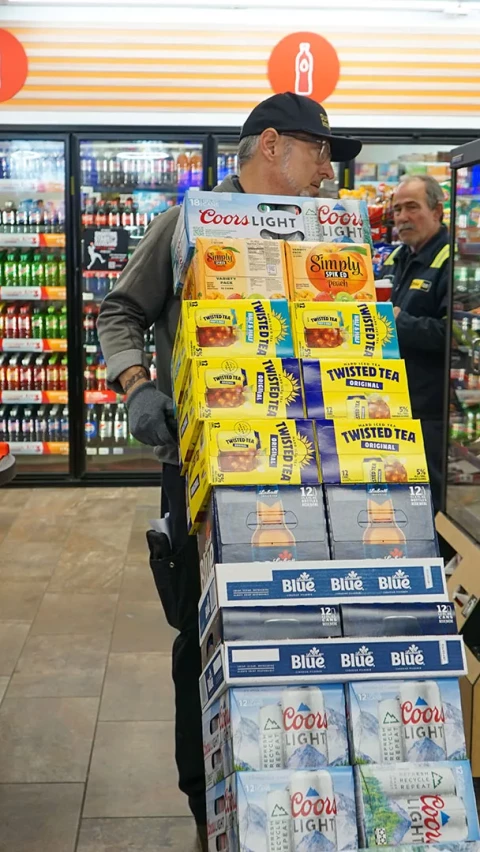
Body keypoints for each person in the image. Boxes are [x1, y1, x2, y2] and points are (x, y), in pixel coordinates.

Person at [97, 92, 362, 851]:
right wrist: (138, 384)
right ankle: (205, 799)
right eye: (320, 151)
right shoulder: (193, 222)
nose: (324, 172)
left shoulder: (326, 232)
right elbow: (118, 311)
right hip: (209, 468)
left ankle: (293, 785)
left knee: (302, 617)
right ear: (272, 145)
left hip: (318, 470)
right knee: (204, 625)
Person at [380, 174, 449, 514]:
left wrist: (398, 323)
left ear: (438, 211)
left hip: (433, 413)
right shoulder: (397, 257)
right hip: (394, 405)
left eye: (412, 207)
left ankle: (444, 567)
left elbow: (458, 336)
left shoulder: (455, 261)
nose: (403, 217)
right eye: (397, 210)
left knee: (434, 505)